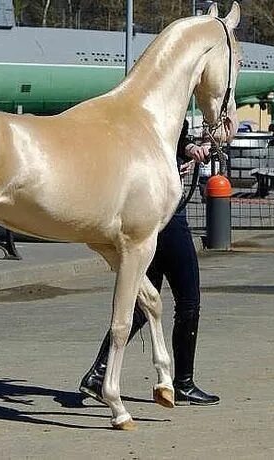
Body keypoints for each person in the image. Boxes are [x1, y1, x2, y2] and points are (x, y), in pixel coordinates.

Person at [79, 119, 219, 406]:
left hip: (148, 216)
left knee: (143, 301)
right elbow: (167, 143)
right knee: (188, 300)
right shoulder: (167, 111)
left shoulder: (144, 113)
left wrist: (189, 149)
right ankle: (183, 383)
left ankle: (98, 372)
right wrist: (188, 150)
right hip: (165, 215)